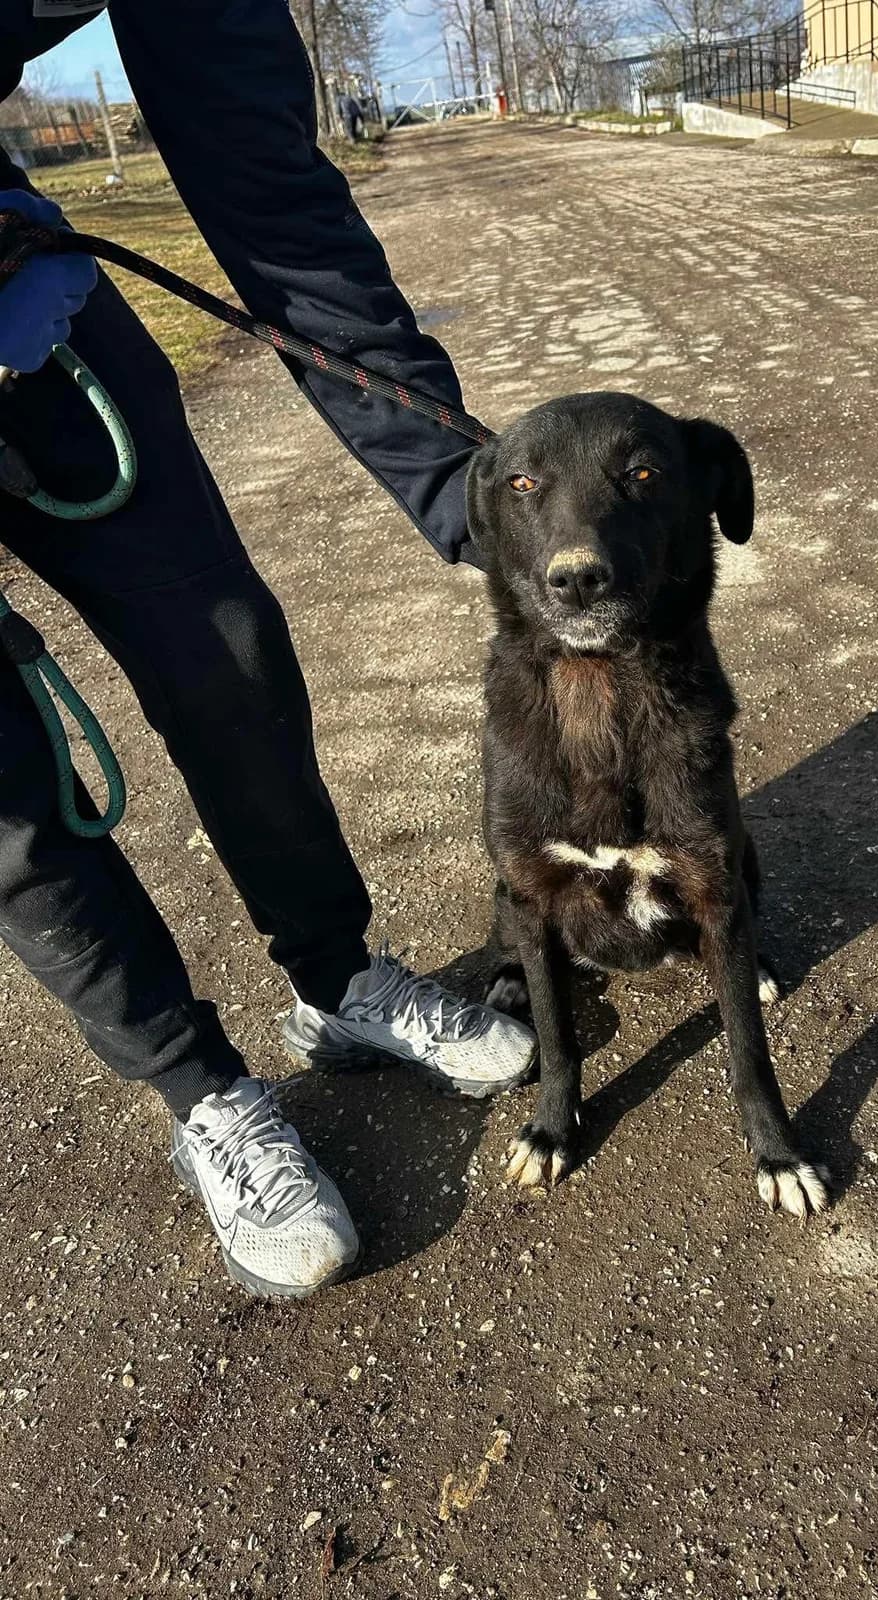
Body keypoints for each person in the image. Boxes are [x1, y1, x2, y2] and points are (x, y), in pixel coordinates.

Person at [0, 1, 535, 1300]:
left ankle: (336, 974)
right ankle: (206, 1096)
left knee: (224, 648)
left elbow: (264, 175)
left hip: (18, 300)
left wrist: (472, 491)